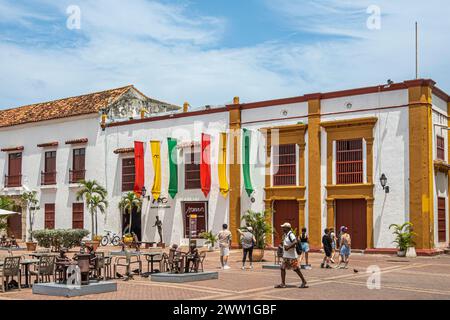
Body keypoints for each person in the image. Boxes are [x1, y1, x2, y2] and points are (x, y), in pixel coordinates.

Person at [275, 223, 308, 289]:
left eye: (283, 227)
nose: (282, 229)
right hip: (286, 256)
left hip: (292, 256)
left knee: (296, 269)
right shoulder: (286, 235)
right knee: (282, 268)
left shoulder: (291, 234)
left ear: (287, 228)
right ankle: (283, 284)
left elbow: (295, 241)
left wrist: (288, 247)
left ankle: (304, 281)